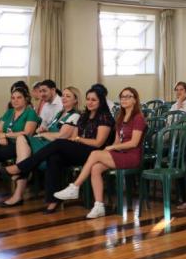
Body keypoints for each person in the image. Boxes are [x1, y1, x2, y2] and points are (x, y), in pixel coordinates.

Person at [1, 84, 115, 213]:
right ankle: (53, 200)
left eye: (94, 100)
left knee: (59, 143)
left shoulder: (104, 117)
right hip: (81, 148)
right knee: (53, 157)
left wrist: (77, 140)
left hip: (94, 152)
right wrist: (74, 139)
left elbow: (98, 143)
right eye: (88, 99)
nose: (90, 102)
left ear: (101, 101)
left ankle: (22, 167)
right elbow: (75, 135)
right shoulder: (84, 116)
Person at [54, 87, 146, 218]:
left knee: (95, 154)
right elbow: (116, 141)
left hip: (132, 156)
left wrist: (111, 148)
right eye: (122, 97)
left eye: (128, 97)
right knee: (96, 168)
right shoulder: (121, 118)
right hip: (121, 154)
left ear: (135, 100)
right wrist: (111, 148)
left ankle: (75, 187)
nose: (124, 99)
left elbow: (134, 143)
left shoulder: (138, 118)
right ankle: (99, 206)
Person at [2, 86, 82, 207]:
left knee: (22, 139)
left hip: (54, 146)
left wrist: (44, 134)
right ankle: (22, 172)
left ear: (76, 100)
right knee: (21, 139)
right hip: (45, 142)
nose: (64, 98)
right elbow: (52, 130)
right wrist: (44, 129)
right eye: (63, 95)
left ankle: (21, 175)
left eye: (68, 96)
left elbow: (61, 136)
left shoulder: (74, 115)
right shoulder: (60, 113)